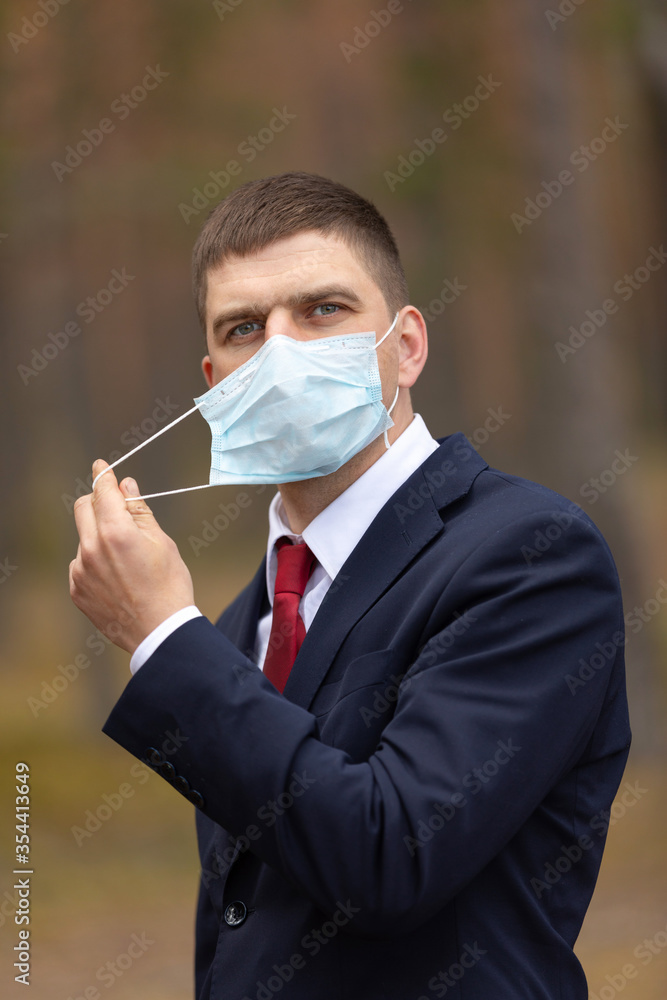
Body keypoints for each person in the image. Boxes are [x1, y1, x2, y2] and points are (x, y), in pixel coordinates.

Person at [69, 171, 631, 1000]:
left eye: (322, 310)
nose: (281, 352)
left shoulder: (529, 556)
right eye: (244, 328)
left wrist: (161, 636)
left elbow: (392, 855)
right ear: (217, 384)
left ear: (406, 346)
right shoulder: (237, 624)